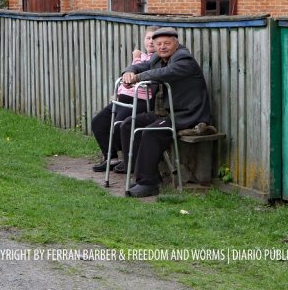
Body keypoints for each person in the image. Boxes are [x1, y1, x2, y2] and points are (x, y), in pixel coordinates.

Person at [119, 27, 211, 198]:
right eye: (158, 44)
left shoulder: (184, 59)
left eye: (167, 43)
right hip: (166, 112)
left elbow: (164, 73)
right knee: (128, 125)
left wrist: (138, 78)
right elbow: (142, 65)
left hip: (186, 114)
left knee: (150, 133)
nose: (162, 47)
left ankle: (148, 184)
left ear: (176, 44)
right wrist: (129, 71)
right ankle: (143, 176)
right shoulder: (156, 57)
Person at [90, 26, 158, 172]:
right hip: (122, 98)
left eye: (154, 38)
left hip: (140, 100)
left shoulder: (157, 60)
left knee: (118, 126)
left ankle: (129, 161)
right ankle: (111, 158)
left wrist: (137, 58)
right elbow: (129, 75)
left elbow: (144, 71)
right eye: (148, 38)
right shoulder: (141, 57)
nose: (151, 42)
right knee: (98, 123)